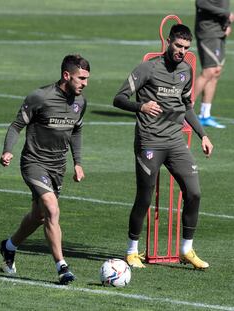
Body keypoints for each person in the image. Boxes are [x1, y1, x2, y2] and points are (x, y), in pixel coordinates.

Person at [113, 24, 213, 269]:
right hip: (150, 141)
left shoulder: (186, 71)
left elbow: (187, 106)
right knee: (144, 197)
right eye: (178, 45)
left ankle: (186, 250)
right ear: (168, 42)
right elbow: (118, 99)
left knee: (194, 192)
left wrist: (203, 135)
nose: (181, 51)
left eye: (186, 48)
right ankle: (132, 251)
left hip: (175, 141)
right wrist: (142, 107)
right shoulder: (148, 67)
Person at [0, 54, 90, 284]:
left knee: (39, 216)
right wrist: (8, 150)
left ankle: (8, 247)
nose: (85, 83)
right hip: (34, 163)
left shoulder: (80, 102)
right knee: (51, 208)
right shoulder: (40, 97)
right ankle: (62, 266)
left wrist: (77, 162)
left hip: (58, 167)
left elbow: (76, 131)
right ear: (66, 75)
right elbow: (17, 125)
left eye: (87, 79)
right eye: (81, 78)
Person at [194, 0, 234, 128]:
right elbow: (201, 3)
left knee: (216, 72)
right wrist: (226, 14)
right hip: (207, 30)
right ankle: (181, 112)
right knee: (209, 71)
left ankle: (205, 115)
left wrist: (226, 23)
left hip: (219, 31)